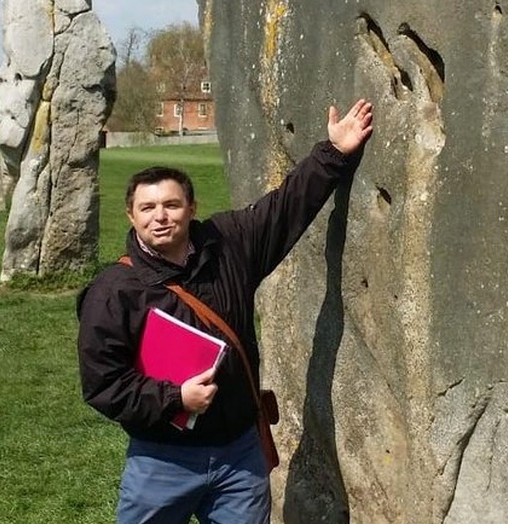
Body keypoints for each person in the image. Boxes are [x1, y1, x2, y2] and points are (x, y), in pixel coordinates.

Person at [77, 99, 373, 523]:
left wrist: (334, 152)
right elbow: (102, 383)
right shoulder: (113, 290)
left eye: (171, 205)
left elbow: (285, 207)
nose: (160, 217)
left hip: (239, 455)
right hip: (162, 459)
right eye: (147, 208)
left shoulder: (229, 243)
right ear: (131, 215)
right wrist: (176, 398)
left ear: (191, 208)